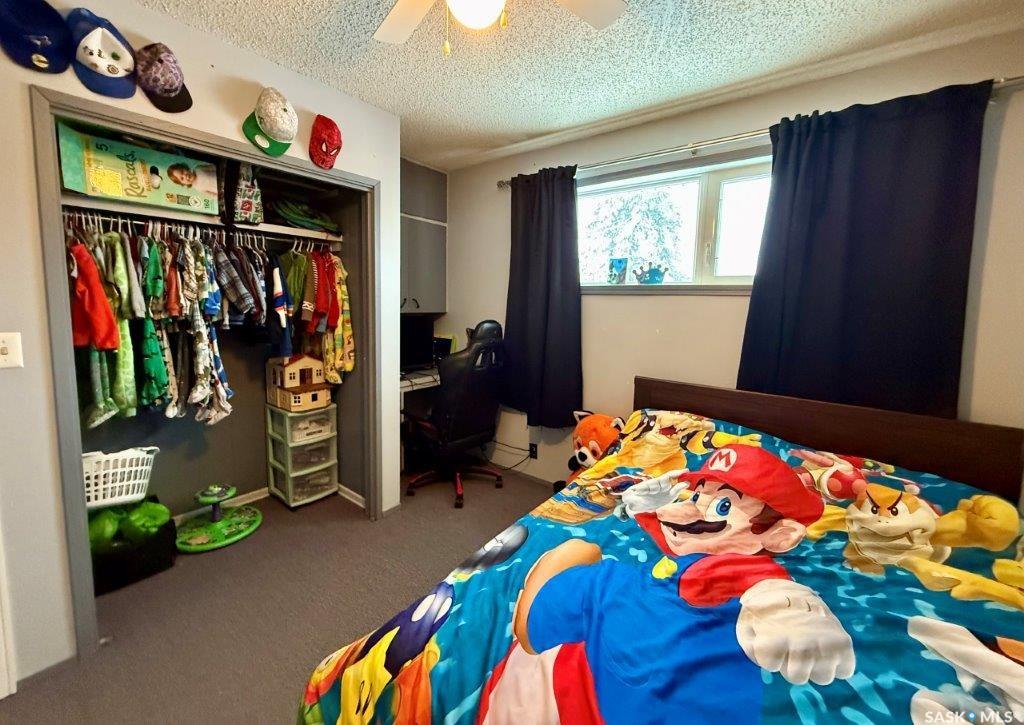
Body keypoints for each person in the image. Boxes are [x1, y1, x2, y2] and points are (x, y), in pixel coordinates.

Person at [508, 445, 856, 724]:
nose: (691, 509)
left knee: (595, 570)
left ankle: (535, 619)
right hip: (630, 670)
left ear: (780, 536)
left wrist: (787, 603)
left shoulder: (739, 563)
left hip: (648, 671)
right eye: (696, 495)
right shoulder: (708, 544)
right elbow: (681, 534)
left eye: (724, 505)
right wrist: (644, 509)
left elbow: (761, 584)